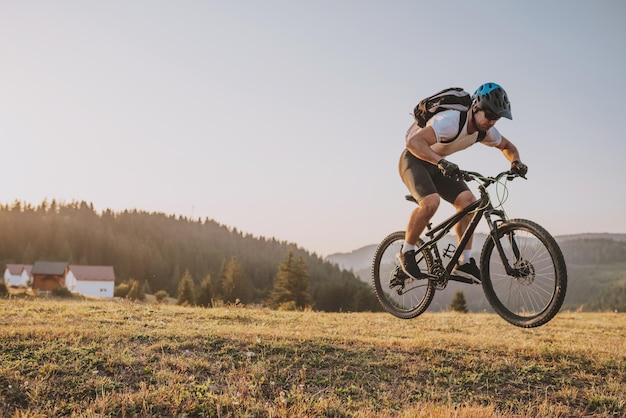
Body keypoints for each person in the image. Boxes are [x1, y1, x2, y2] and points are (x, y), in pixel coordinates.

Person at [397, 82, 528, 282]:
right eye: (490, 115)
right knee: (431, 202)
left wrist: (516, 162)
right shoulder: (450, 121)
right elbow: (413, 142)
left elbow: (508, 146)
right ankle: (407, 252)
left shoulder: (484, 131)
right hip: (415, 158)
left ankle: (463, 262)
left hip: (439, 164)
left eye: (497, 118)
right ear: (475, 107)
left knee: (469, 202)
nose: (492, 122)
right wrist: (441, 162)